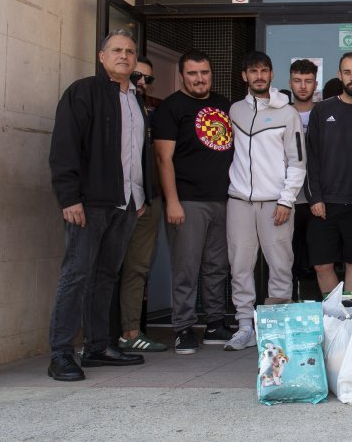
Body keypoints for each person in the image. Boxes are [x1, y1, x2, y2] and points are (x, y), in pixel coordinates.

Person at [47, 29, 154, 381]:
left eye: (130, 51)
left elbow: (138, 154)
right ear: (102, 56)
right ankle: (61, 353)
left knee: (106, 275)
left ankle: (97, 346)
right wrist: (69, 197)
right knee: (76, 273)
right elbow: (65, 146)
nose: (124, 55)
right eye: (117, 50)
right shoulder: (83, 92)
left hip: (127, 203)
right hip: (90, 203)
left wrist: (142, 195)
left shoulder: (136, 100)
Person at [152, 50, 236, 355]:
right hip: (188, 201)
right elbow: (163, 158)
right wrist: (172, 201)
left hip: (225, 200)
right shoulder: (171, 108)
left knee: (217, 266)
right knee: (186, 267)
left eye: (204, 72)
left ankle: (215, 323)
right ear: (181, 75)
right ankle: (183, 328)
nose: (199, 78)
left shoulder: (225, 105)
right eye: (192, 73)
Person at [225, 51, 305, 351]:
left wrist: (287, 201)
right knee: (240, 266)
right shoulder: (234, 111)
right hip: (239, 201)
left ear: (272, 75)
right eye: (253, 71)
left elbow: (298, 162)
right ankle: (245, 326)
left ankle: (275, 327)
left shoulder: (288, 113)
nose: (259, 75)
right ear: (244, 76)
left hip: (276, 203)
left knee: (281, 266)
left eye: (264, 70)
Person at [306, 53, 352, 295]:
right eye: (347, 72)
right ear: (339, 75)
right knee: (322, 265)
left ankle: (351, 320)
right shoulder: (322, 110)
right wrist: (315, 197)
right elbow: (311, 157)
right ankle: (336, 319)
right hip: (325, 203)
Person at [114, 57, 168, 353]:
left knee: (138, 267)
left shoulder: (151, 112)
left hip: (148, 199)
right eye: (138, 76)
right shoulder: (107, 105)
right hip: (112, 200)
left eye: (148, 79)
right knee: (103, 268)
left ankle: (130, 332)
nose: (142, 83)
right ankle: (98, 336)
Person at [287, 59, 319, 299]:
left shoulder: (324, 112)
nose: (303, 86)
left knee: (317, 260)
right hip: (288, 199)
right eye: (298, 81)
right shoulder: (282, 114)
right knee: (288, 260)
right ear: (290, 83)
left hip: (316, 199)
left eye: (308, 81)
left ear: (315, 84)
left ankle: (316, 311)